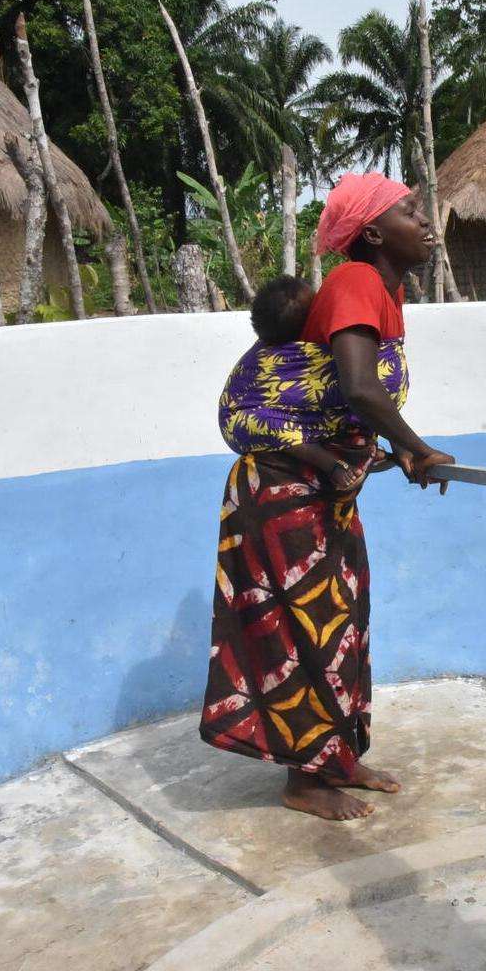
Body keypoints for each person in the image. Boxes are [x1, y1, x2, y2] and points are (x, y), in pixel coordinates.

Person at [199, 172, 456, 821]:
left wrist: (393, 448)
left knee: (343, 628)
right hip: (283, 497)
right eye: (410, 211)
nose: (426, 221)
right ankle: (304, 780)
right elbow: (359, 387)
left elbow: (346, 405)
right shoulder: (356, 282)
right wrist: (418, 446)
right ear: (372, 233)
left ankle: (336, 757)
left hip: (324, 498)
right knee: (305, 634)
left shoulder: (386, 293)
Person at [217, 274, 381, 491]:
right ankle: (330, 463)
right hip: (240, 418)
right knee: (275, 425)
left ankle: (358, 448)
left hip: (288, 414)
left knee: (343, 406)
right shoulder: (283, 354)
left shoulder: (304, 346)